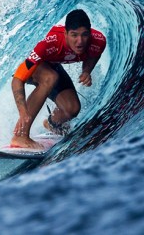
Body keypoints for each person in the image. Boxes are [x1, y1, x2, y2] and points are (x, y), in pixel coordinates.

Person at [10, 9, 107, 149]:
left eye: (84, 35)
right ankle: (20, 136)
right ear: (66, 33)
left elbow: (94, 54)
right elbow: (17, 79)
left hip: (51, 65)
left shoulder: (98, 41)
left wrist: (86, 71)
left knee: (71, 109)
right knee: (50, 77)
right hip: (27, 62)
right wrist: (23, 112)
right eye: (74, 35)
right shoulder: (49, 44)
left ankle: (52, 124)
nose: (80, 41)